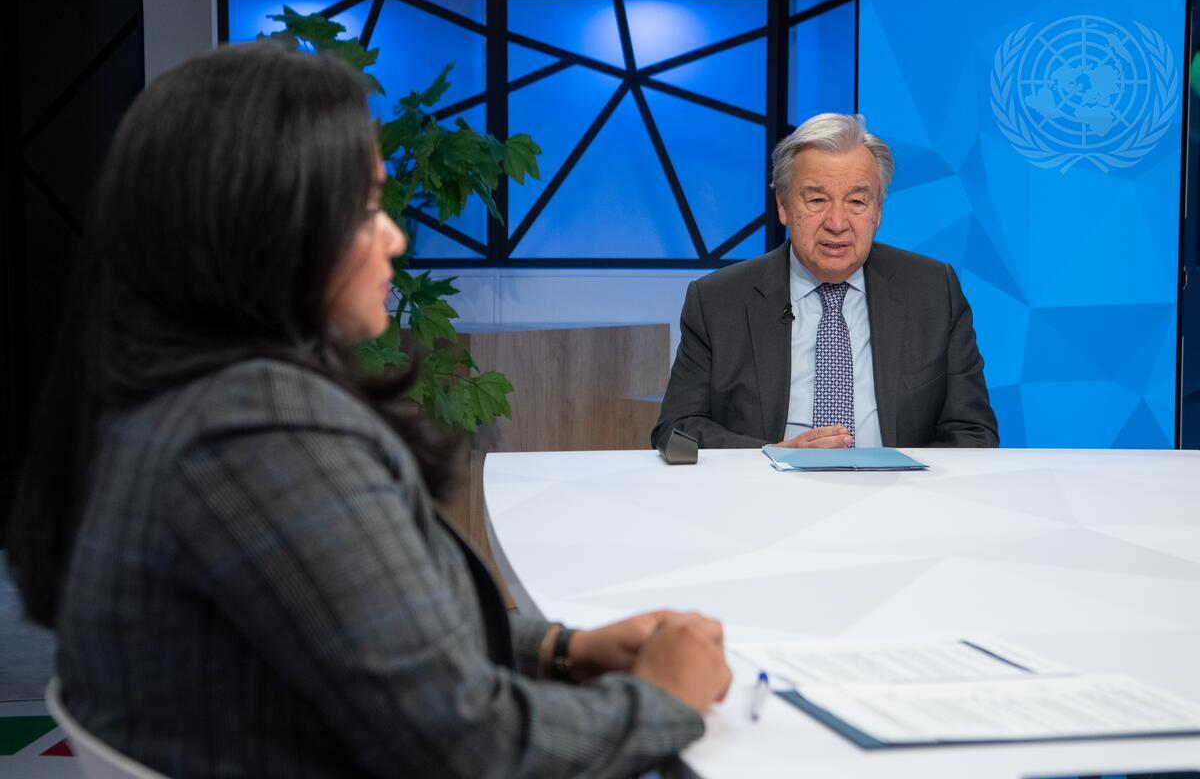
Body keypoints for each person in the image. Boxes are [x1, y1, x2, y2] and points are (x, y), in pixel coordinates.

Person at [6, 44, 731, 778]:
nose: (395, 236)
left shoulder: (172, 403)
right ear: (263, 225)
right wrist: (663, 698)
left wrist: (560, 649)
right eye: (363, 209)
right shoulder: (261, 434)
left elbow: (355, 639)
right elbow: (468, 748)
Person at [653, 113, 999, 451]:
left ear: (878, 210)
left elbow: (973, 432)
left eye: (857, 201)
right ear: (783, 205)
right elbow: (677, 429)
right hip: (768, 486)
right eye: (817, 200)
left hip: (898, 488)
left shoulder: (934, 291)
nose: (837, 223)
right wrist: (773, 455)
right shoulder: (717, 300)